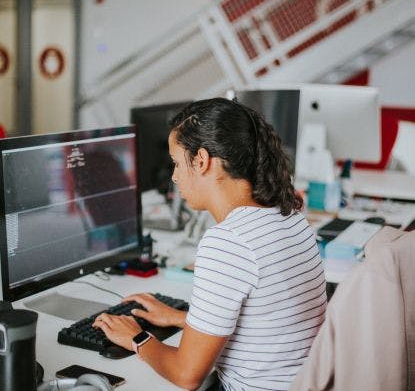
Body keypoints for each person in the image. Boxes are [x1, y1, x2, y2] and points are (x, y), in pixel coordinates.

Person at [93, 98, 327, 391]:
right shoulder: (289, 215)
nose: (175, 177)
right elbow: (266, 323)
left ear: (202, 160)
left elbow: (187, 375)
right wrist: (181, 318)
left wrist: (137, 338)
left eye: (177, 163)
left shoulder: (228, 242)